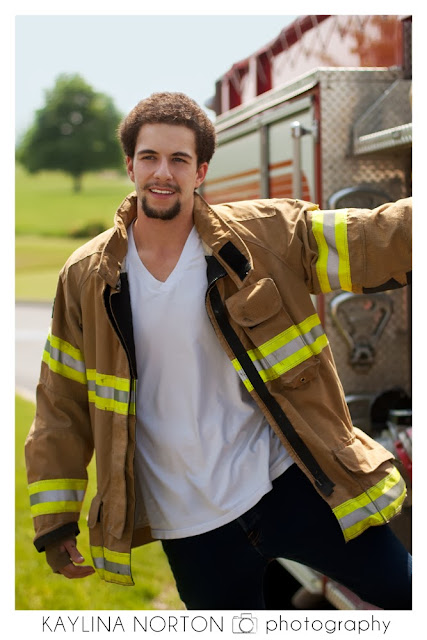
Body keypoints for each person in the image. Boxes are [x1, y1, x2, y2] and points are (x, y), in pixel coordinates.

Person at [25, 92, 412, 610]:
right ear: (130, 164)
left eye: (179, 159)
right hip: (190, 529)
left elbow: (374, 238)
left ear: (201, 170)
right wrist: (55, 520)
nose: (163, 172)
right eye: (150, 157)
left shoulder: (264, 235)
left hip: (292, 488)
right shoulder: (86, 277)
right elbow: (60, 404)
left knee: (412, 599)